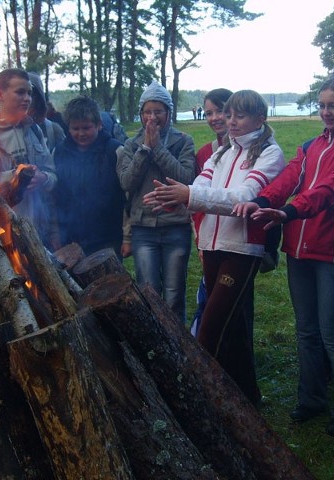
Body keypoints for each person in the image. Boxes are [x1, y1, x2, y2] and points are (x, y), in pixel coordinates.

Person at [233, 74, 334, 436]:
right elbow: (289, 178)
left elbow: (332, 189)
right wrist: (262, 201)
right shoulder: (311, 145)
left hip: (332, 251)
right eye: (323, 105)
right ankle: (311, 399)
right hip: (298, 248)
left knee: (331, 333)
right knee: (306, 330)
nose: (326, 112)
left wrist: (289, 212)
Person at [144, 90, 285, 406]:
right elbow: (202, 187)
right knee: (232, 331)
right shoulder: (221, 153)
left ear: (260, 118)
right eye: (229, 114)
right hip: (212, 245)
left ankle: (203, 402)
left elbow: (243, 197)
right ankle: (247, 399)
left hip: (241, 248)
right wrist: (176, 197)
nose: (231, 121)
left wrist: (188, 196)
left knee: (210, 329)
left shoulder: (269, 154)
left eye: (240, 116)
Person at [116, 80, 196, 322]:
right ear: (141, 114)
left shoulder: (183, 141)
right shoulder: (130, 145)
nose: (152, 117)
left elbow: (184, 178)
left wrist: (158, 147)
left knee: (174, 294)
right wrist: (144, 149)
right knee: (148, 291)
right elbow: (127, 182)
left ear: (168, 113)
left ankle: (179, 348)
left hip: (176, 226)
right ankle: (153, 345)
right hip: (143, 228)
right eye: (147, 111)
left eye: (158, 111)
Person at [0, 68, 58, 249]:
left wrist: (43, 178)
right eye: (20, 92)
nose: (27, 98)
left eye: (29, 93)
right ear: (0, 94)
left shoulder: (34, 130)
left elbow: (53, 175)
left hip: (36, 232)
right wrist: (9, 177)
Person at [53, 96, 125, 258]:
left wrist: (127, 236)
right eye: (75, 129)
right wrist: (56, 231)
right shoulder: (60, 153)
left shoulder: (114, 151)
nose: (80, 133)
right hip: (71, 238)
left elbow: (127, 194)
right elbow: (56, 195)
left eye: (86, 128)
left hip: (108, 237)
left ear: (99, 124)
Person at [190, 88, 233, 336]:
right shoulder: (205, 153)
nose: (215, 117)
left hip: (236, 239)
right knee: (208, 300)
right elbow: (197, 201)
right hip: (209, 238)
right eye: (209, 112)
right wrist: (200, 243)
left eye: (221, 110)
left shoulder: (254, 150)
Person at [27, 72, 66, 155]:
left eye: (31, 94)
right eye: (20, 93)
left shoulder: (53, 129)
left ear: (38, 98)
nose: (26, 99)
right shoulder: (0, 132)